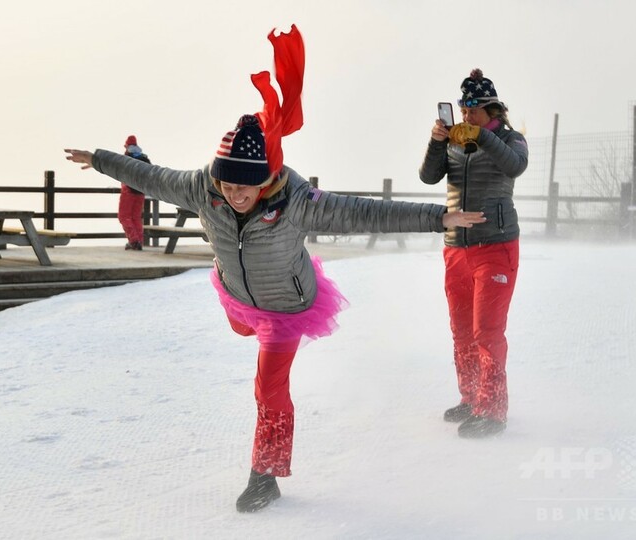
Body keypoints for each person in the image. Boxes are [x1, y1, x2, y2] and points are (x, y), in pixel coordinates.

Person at [65, 25, 485, 513]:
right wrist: (100, 159)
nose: (234, 195)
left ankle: (264, 476)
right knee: (242, 324)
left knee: (268, 388)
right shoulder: (203, 188)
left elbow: (364, 212)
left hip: (286, 306)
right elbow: (150, 176)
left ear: (266, 178)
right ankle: (246, 323)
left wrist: (438, 218)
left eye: (245, 187)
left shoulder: (296, 201)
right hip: (237, 295)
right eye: (227, 186)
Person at [418, 68, 529, 439]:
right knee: (462, 331)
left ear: (491, 110)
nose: (466, 117)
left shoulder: (511, 139)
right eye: (463, 111)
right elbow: (428, 176)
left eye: (473, 112)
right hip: (456, 248)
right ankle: (471, 399)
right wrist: (437, 141)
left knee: (487, 331)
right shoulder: (454, 141)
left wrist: (483, 137)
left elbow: (516, 165)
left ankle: (492, 410)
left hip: (496, 246)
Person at [119, 135, 151, 250]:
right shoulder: (144, 158)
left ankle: (134, 241)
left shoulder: (127, 158)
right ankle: (139, 241)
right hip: (141, 192)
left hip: (128, 191)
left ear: (127, 146)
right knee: (136, 218)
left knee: (124, 217)